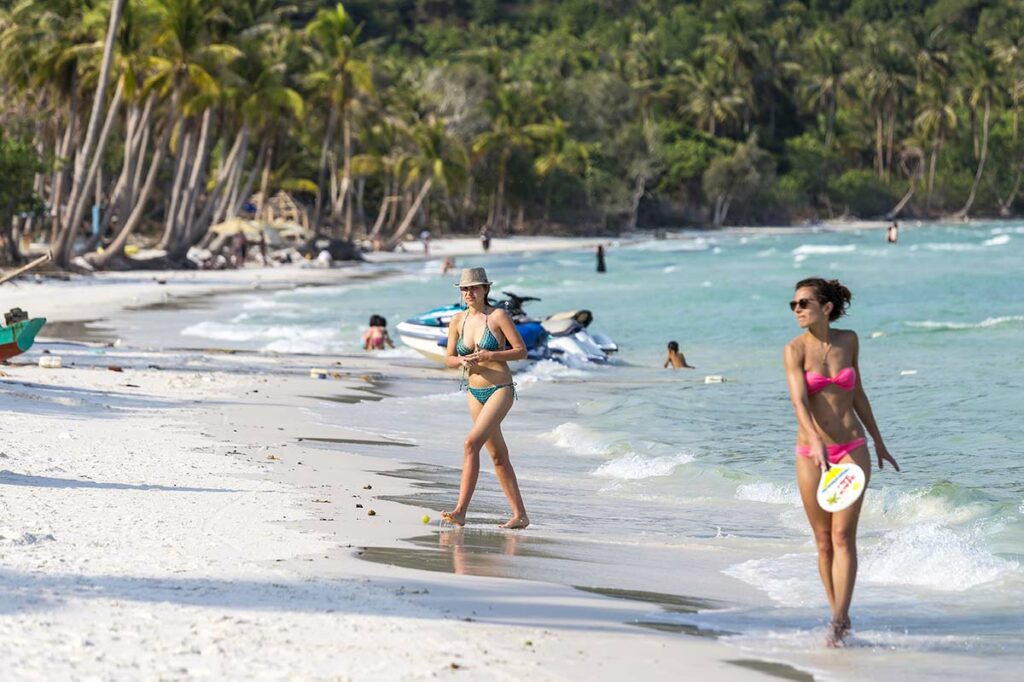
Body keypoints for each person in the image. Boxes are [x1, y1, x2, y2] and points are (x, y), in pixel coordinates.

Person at [783, 277, 900, 647]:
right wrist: (815, 440)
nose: (797, 309)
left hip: (852, 448)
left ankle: (838, 619)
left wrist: (878, 441)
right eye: (794, 304)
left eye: (804, 303)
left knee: (842, 536)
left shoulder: (848, 340)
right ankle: (839, 614)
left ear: (826, 307)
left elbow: (859, 393)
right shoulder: (794, 350)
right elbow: (800, 403)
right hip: (810, 454)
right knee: (822, 541)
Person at [442, 267, 529, 529]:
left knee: (471, 443)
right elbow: (448, 359)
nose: (469, 293)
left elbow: (521, 351)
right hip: (474, 392)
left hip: (500, 389)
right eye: (465, 289)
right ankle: (520, 516)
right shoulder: (458, 321)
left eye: (474, 288)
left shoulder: (498, 316)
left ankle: (460, 511)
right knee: (498, 455)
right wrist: (462, 360)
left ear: (485, 290)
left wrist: (491, 355)